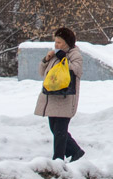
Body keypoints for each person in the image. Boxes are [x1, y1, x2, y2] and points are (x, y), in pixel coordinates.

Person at [34, 27, 85, 162]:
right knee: (54, 128)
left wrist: (65, 61)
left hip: (65, 98)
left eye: (59, 42)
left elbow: (77, 70)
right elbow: (41, 72)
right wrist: (46, 59)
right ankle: (76, 151)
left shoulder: (74, 55)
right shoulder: (54, 55)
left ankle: (58, 159)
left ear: (68, 43)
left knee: (60, 132)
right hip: (52, 97)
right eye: (55, 42)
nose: (56, 45)